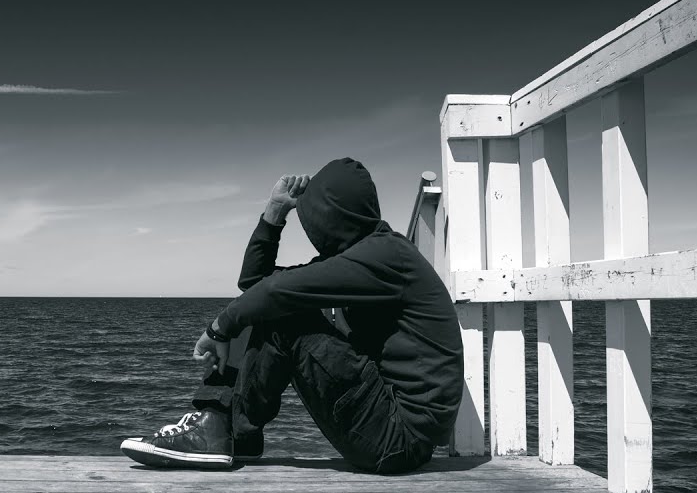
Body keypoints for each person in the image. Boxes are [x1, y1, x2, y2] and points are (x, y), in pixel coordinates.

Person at [120, 157, 463, 474]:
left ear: (328, 216)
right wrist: (274, 213)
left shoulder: (387, 255)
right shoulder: (366, 257)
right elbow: (256, 284)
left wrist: (218, 329)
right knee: (271, 304)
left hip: (399, 439)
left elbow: (273, 294)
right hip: (391, 432)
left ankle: (218, 427)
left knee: (283, 311)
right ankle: (229, 433)